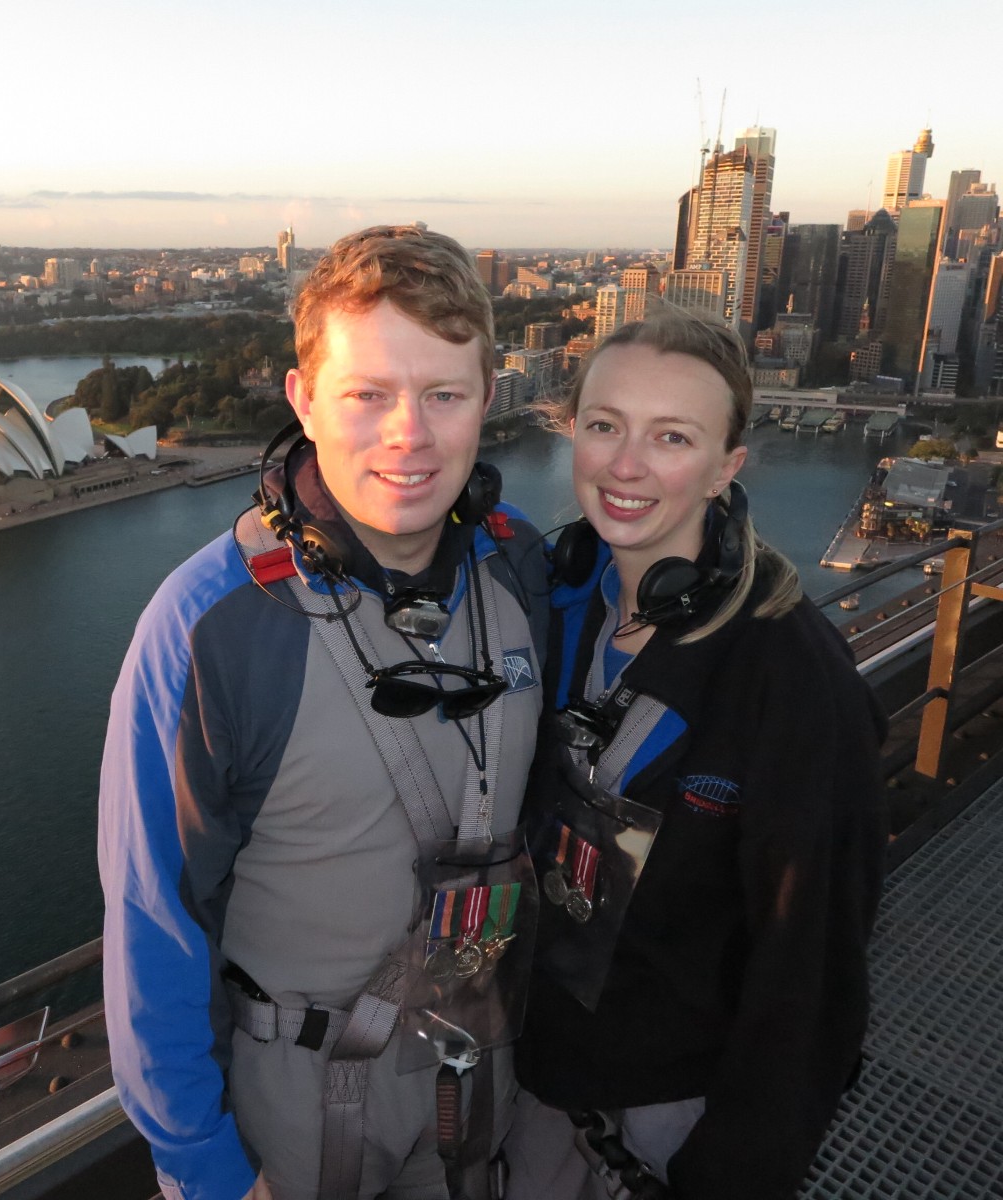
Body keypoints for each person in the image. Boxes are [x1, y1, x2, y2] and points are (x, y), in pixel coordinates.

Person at [98, 226, 547, 1200]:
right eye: (368, 394)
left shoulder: (519, 566)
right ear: (304, 399)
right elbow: (152, 924)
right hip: (291, 1111)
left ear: (489, 395)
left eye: (444, 394)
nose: (409, 435)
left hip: (477, 1074)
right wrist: (210, 1176)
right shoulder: (210, 626)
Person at [505, 310, 888, 1200]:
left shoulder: (794, 683)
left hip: (669, 1117)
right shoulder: (559, 602)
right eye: (604, 426)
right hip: (536, 1073)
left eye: (671, 437)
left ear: (726, 467)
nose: (625, 465)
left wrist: (736, 1170)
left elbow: (814, 974)